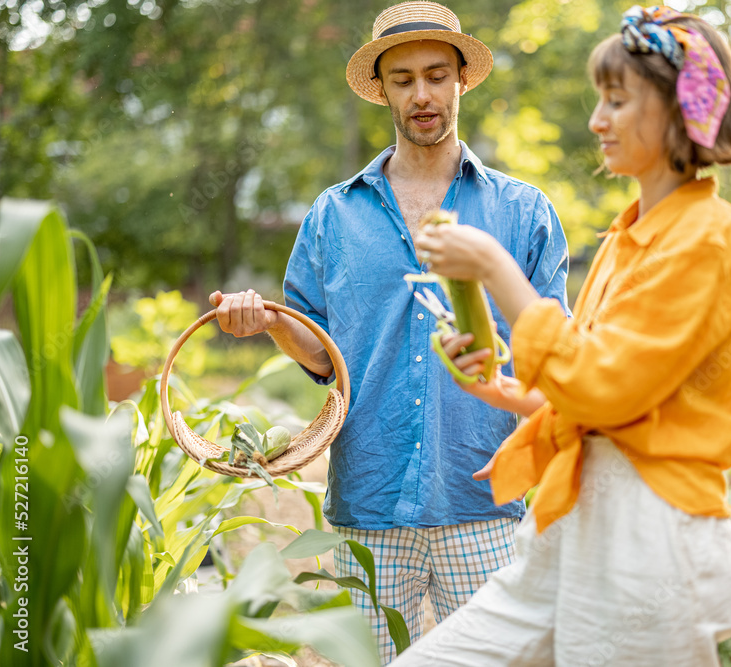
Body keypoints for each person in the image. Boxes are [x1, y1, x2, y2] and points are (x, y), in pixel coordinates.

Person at [395, 5, 731, 665]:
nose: (597, 120)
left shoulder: (712, 238)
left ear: (682, 112)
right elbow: (595, 397)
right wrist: (505, 390)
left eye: (617, 101)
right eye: (601, 101)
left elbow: (602, 392)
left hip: (652, 535)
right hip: (577, 514)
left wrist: (493, 267)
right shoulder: (628, 239)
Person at [209, 1, 569, 662]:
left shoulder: (524, 212)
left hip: (487, 499)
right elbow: (321, 355)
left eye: (436, 74)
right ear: (383, 91)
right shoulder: (334, 215)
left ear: (462, 78)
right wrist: (268, 326)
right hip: (368, 505)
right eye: (403, 80)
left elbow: (558, 358)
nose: (422, 93)